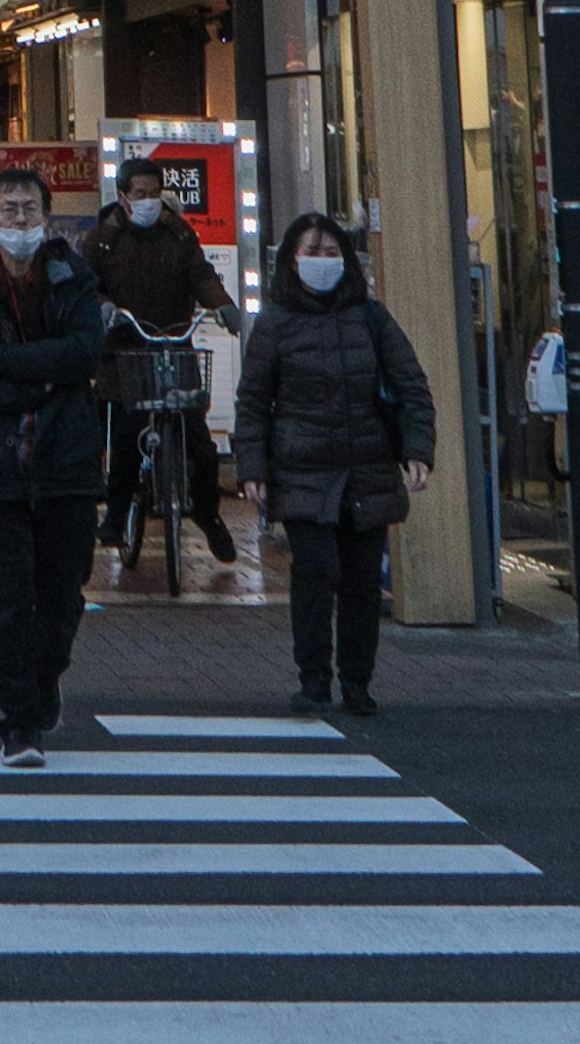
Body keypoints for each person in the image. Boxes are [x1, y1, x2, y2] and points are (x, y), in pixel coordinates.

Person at [0, 163, 113, 756]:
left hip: (68, 458)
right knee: (11, 595)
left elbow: (84, 352)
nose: (21, 220)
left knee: (63, 591)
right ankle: (19, 722)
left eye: (30, 209)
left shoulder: (71, 277)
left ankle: (44, 680)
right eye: (9, 210)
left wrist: (1, 362)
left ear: (46, 215)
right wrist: (35, 384)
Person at [233, 210, 436, 722]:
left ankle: (357, 681)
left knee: (363, 581)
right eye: (310, 252)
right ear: (290, 261)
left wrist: (417, 448)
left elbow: (411, 385)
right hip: (301, 469)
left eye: (331, 252)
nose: (321, 262)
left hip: (366, 467)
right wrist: (251, 465)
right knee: (316, 572)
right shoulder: (275, 324)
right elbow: (253, 401)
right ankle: (314, 680)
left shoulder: (371, 317)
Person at [99, 164, 242, 572]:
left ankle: (208, 513)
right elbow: (87, 285)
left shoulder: (179, 235)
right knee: (126, 438)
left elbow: (201, 273)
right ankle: (116, 512)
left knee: (199, 441)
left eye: (154, 192)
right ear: (122, 195)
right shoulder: (103, 240)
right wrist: (104, 308)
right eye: (140, 192)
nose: (148, 200)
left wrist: (221, 304)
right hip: (124, 352)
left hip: (174, 346)